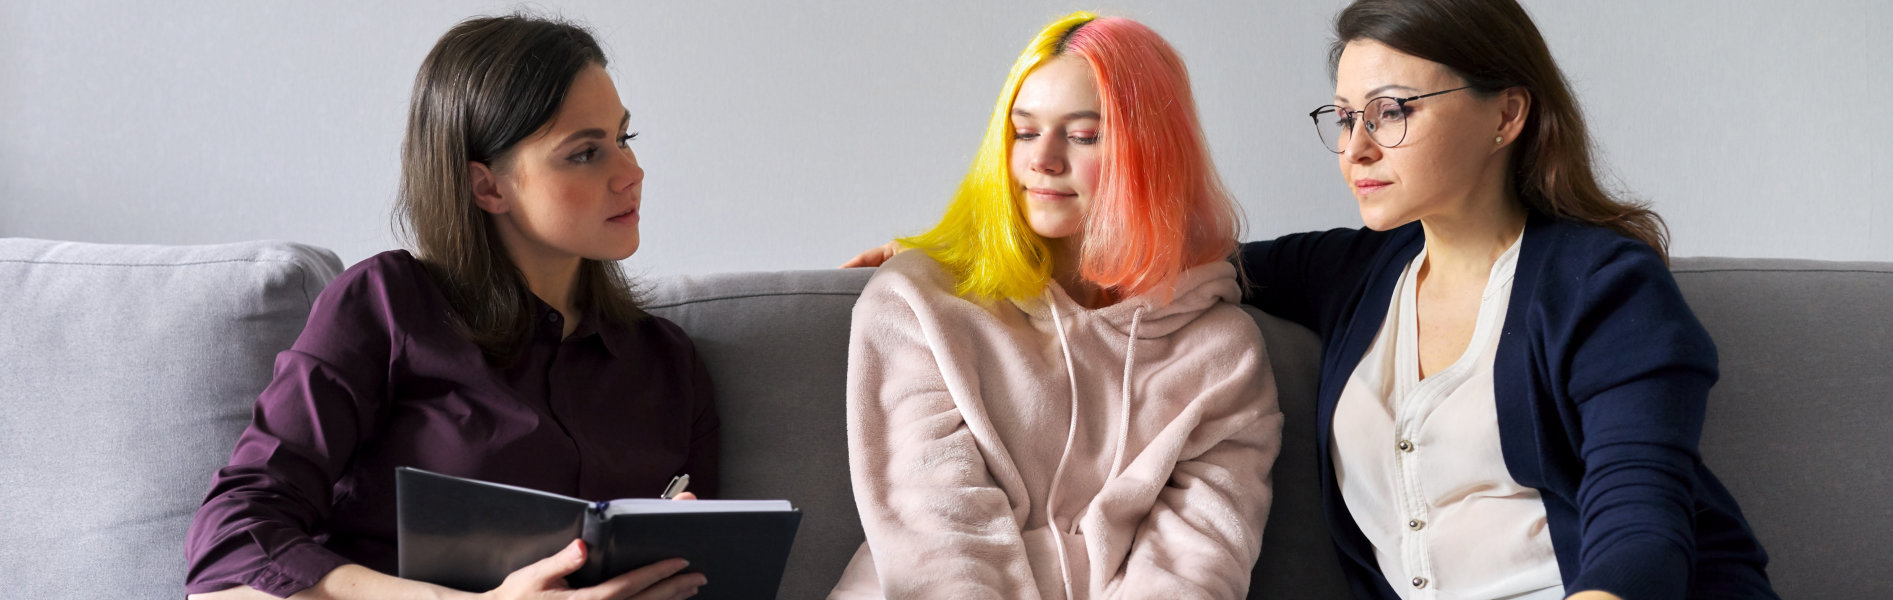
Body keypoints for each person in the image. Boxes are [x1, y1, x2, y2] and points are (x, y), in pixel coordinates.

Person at [847, 1, 1779, 598]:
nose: (1357, 148)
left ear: (1507, 113)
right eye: (1344, 116)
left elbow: (1641, 528)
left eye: (1394, 111)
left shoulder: (1607, 291)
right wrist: (969, 252)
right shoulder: (1358, 274)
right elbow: (1172, 257)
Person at [184, 15, 716, 600]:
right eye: (586, 153)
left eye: (624, 139)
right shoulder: (385, 306)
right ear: (487, 187)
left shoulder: (668, 362)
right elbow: (231, 542)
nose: (631, 173)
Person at [828, 12, 1283, 600]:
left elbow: (1197, 558)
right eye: (1023, 132)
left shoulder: (1224, 351)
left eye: (1085, 135)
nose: (1042, 159)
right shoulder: (918, 301)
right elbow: (937, 529)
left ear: (1153, 154)